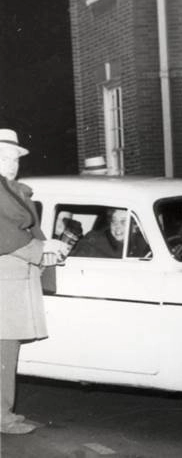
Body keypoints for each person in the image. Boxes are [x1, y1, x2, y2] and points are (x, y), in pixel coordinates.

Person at [0, 128, 70, 434]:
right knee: (4, 350)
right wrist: (43, 248)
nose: (12, 163)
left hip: (13, 280)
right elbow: (7, 235)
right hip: (4, 282)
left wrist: (49, 247)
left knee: (6, 349)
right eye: (4, 157)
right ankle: (3, 417)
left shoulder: (10, 189)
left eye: (14, 157)